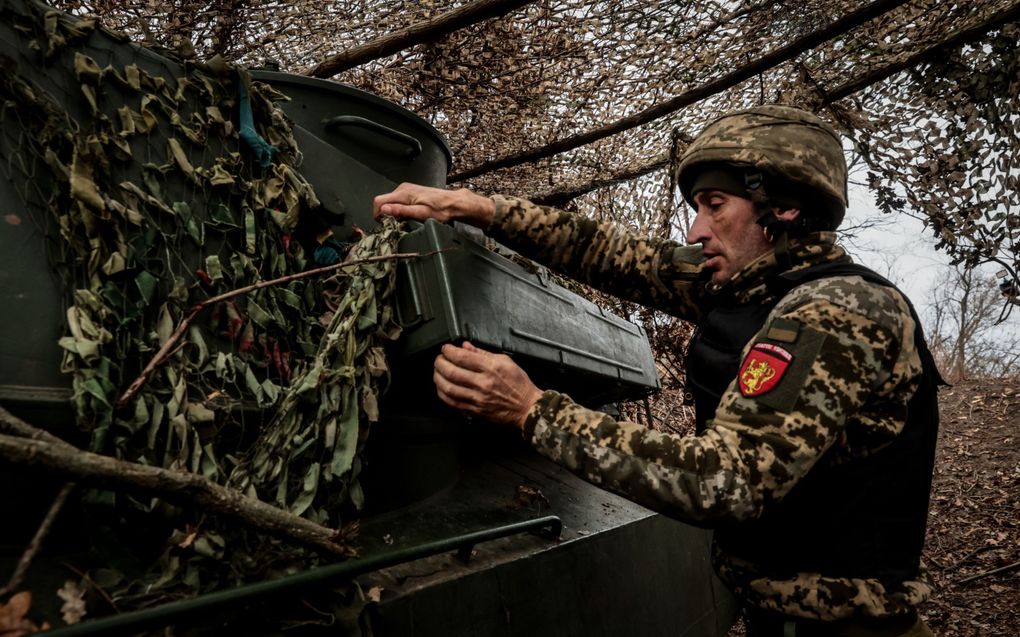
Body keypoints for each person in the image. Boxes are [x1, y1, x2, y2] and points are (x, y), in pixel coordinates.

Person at [373, 105, 941, 637]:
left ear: (784, 208)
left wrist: (531, 409)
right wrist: (481, 208)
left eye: (714, 205)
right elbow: (608, 252)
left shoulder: (834, 311)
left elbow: (724, 481)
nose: (696, 231)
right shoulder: (754, 281)